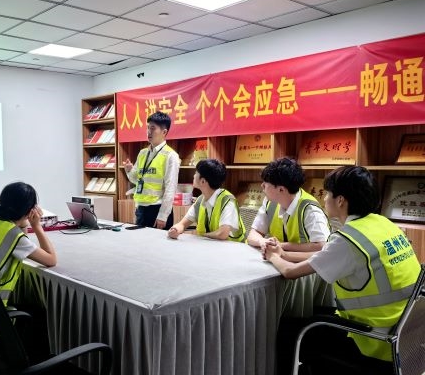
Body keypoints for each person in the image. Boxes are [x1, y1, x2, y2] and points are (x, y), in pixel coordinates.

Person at [265, 165, 421, 375]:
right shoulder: (383, 223)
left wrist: (273, 256)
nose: (324, 199)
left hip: (373, 342)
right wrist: (283, 253)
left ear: (340, 200)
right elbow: (326, 258)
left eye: (327, 193)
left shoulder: (347, 239)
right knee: (314, 313)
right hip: (406, 336)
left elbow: (290, 272)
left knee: (287, 330)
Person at [247, 157, 330, 260]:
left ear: (281, 189)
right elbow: (253, 234)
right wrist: (262, 241)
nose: (262, 185)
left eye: (266, 183)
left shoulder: (310, 209)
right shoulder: (270, 201)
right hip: (278, 261)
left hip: (304, 266)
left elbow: (322, 246)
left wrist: (282, 246)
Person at [123, 111, 180, 229]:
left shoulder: (170, 155)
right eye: (148, 127)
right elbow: (136, 180)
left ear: (164, 132)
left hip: (158, 210)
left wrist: (163, 215)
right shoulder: (143, 153)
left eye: (153, 128)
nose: (149, 131)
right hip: (141, 209)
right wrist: (129, 170)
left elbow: (170, 189)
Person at [167, 159, 245, 241]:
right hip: (210, 246)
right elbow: (182, 224)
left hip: (233, 247)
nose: (194, 176)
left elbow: (222, 234)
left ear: (203, 181)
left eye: (196, 173)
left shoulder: (228, 201)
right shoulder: (201, 199)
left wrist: (201, 236)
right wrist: (175, 229)